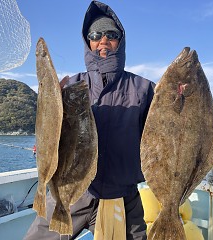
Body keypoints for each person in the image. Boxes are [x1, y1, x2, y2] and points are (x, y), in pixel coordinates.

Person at [24, 1, 155, 239]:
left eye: (111, 34)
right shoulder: (71, 85)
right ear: (88, 41)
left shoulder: (145, 89)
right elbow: (48, 132)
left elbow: (163, 135)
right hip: (69, 193)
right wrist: (53, 101)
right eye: (96, 35)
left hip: (123, 198)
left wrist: (181, 98)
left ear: (120, 41)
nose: (103, 40)